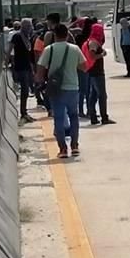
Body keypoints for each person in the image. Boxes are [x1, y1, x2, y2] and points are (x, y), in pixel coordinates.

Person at [36, 23, 88, 159]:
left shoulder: (49, 49)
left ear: (54, 35)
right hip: (73, 88)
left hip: (56, 89)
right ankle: (75, 146)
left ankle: (63, 149)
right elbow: (84, 67)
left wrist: (39, 82)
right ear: (67, 34)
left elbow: (40, 69)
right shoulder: (75, 49)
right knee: (74, 117)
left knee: (58, 119)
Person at [83, 22, 115, 125]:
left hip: (92, 71)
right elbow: (92, 56)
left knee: (94, 95)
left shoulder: (91, 41)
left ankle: (93, 117)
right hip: (97, 72)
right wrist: (102, 54)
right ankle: (104, 117)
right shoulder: (93, 43)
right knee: (102, 95)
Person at [10, 18, 36, 122]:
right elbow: (10, 49)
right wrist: (7, 61)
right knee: (24, 89)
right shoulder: (17, 36)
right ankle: (23, 113)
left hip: (27, 66)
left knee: (27, 89)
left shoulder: (27, 37)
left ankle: (24, 112)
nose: (30, 28)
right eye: (28, 26)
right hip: (20, 67)